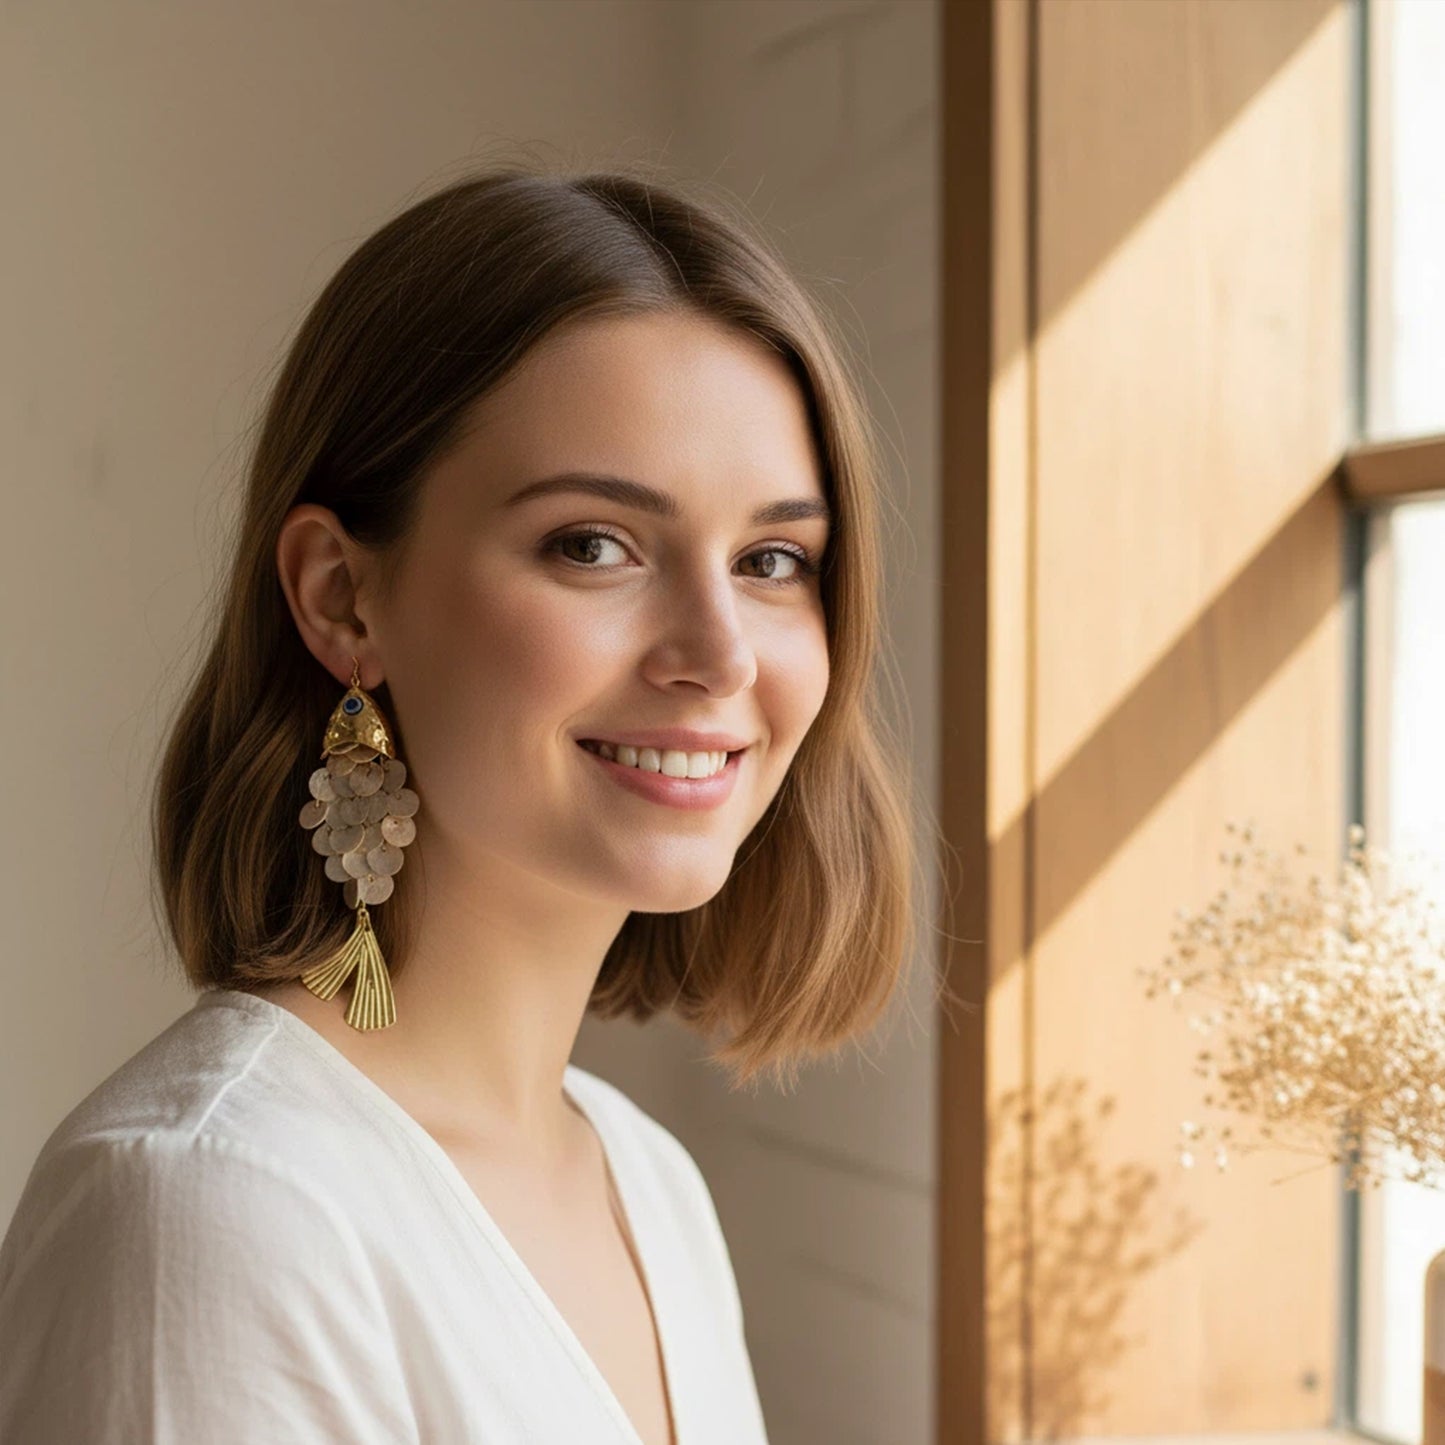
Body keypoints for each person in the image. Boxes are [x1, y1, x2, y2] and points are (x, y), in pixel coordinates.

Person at [0, 163, 923, 1443]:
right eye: (592, 544)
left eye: (772, 559)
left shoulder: (646, 1182)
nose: (719, 654)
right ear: (340, 597)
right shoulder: (211, 1207)